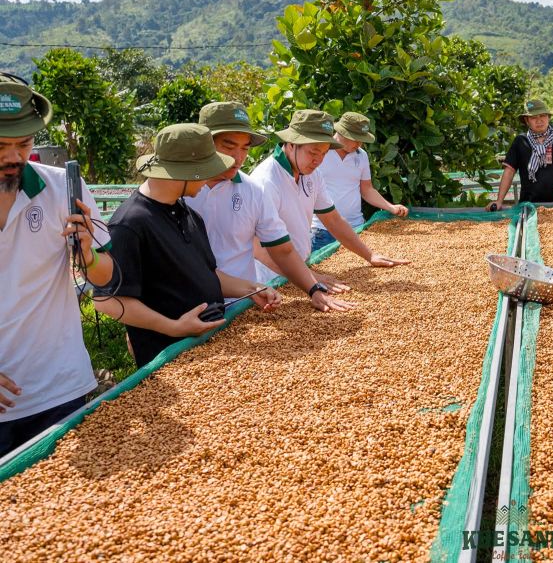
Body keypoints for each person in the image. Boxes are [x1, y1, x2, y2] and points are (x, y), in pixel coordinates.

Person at [97, 124, 282, 369]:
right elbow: (108, 300)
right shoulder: (130, 224)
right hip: (168, 358)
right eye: (206, 170)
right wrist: (173, 327)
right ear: (186, 171)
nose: (208, 179)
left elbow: (207, 273)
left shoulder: (187, 213)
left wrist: (252, 288)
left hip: (210, 349)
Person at [0, 80, 116, 455]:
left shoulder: (65, 188)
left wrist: (88, 252)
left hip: (59, 391)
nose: (14, 156)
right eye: (2, 145)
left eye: (24, 143)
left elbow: (107, 275)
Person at [189, 102, 354, 312]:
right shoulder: (180, 192)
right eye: (229, 147)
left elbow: (282, 250)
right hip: (189, 306)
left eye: (245, 148)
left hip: (241, 305)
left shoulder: (252, 191)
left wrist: (313, 289)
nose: (238, 158)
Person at [250, 109, 409, 284]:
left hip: (299, 273)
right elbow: (256, 247)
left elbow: (333, 219)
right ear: (291, 143)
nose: (318, 160)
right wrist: (308, 279)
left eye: (324, 153)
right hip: (270, 279)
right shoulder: (266, 181)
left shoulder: (312, 174)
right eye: (313, 152)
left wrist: (370, 255)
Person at [311, 111, 408, 253]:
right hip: (323, 231)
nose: (359, 144)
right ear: (342, 133)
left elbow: (367, 189)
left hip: (356, 228)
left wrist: (391, 207)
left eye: (362, 139)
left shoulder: (361, 156)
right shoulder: (320, 152)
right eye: (355, 139)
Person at [488, 99, 553, 209]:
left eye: (542, 116)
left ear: (548, 117)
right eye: (533, 117)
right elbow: (509, 171)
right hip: (528, 206)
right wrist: (499, 201)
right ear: (527, 120)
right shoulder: (521, 141)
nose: (539, 120)